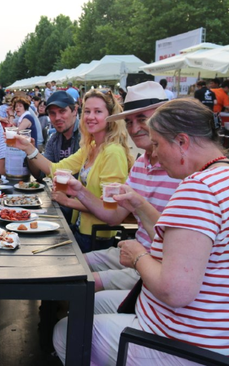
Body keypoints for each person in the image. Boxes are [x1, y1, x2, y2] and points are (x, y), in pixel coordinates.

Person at [54, 98, 229, 365]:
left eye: (157, 144)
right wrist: (141, 205)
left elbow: (175, 292)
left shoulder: (197, 188)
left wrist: (138, 255)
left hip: (180, 341)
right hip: (210, 332)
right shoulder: (220, 177)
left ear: (182, 142)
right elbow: (181, 244)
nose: (154, 153)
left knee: (66, 331)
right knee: (89, 302)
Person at [66, 81, 181, 292]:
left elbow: (179, 254)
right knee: (69, 265)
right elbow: (113, 215)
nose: (134, 128)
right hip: (135, 253)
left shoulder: (182, 168)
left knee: (77, 286)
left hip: (159, 267)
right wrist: (79, 191)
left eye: (142, 119)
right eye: (129, 121)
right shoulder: (140, 164)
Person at [16, 89, 132, 253]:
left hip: (96, 238)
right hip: (80, 230)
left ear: (110, 116)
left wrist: (69, 201)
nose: (91, 117)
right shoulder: (91, 147)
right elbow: (54, 169)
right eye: (88, 111)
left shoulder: (113, 152)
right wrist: (29, 148)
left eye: (98, 111)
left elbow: (110, 210)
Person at [40, 91, 81, 165]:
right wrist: (28, 151)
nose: (57, 118)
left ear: (75, 111)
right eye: (52, 113)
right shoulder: (53, 139)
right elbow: (43, 172)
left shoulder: (86, 136)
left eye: (62, 111)